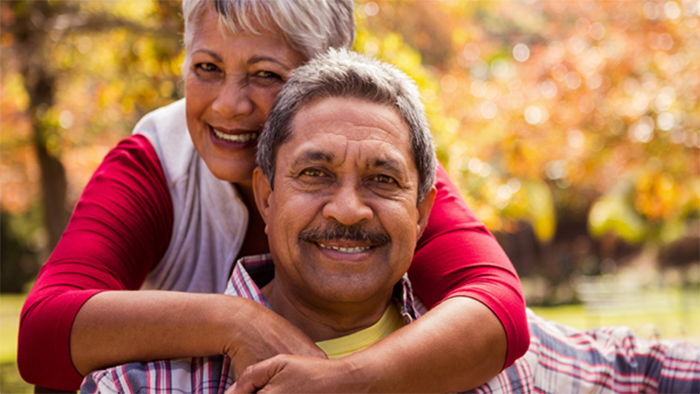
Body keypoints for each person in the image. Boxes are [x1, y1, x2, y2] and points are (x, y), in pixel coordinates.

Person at [81, 49, 700, 394]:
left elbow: (643, 369)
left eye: (382, 180)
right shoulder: (145, 385)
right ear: (265, 197)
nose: (349, 210)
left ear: (424, 209)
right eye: (315, 174)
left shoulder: (493, 358)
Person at [18, 0, 528, 392]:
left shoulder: (374, 165)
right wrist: (236, 322)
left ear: (323, 80)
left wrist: (347, 380)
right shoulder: (156, 162)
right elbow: (43, 333)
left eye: (266, 75)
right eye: (207, 68)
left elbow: (496, 306)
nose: (229, 105)